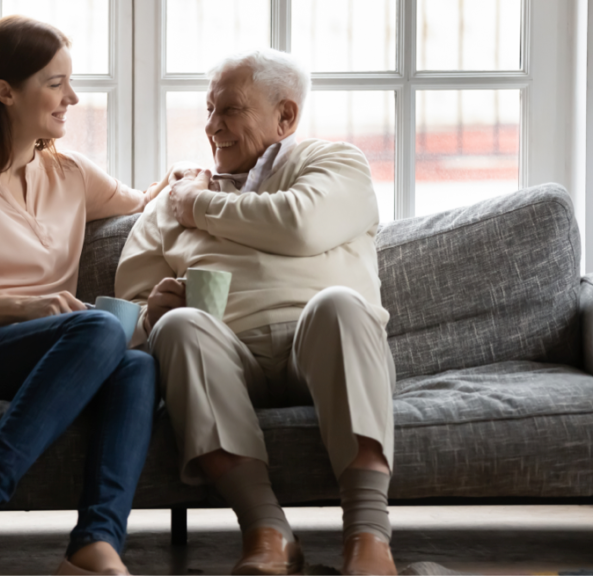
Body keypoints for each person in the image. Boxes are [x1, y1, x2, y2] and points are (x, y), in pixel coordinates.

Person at [0, 15, 178, 576]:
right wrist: (28, 306)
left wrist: (187, 185)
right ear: (5, 91)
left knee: (136, 369)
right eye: (55, 83)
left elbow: (142, 200)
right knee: (100, 328)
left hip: (46, 349)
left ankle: (94, 545)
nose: (72, 97)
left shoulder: (70, 174)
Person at [115, 48, 398, 576]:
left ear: (285, 116)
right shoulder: (170, 202)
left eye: (229, 111)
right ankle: (267, 533)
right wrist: (149, 312)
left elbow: (299, 225)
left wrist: (197, 206)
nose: (211, 126)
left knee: (340, 304)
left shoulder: (333, 163)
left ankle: (368, 537)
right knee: (178, 325)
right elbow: (125, 304)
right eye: (208, 110)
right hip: (228, 357)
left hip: (317, 345)